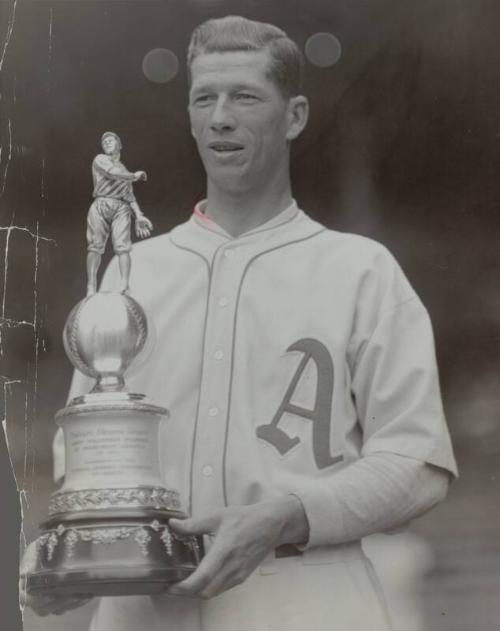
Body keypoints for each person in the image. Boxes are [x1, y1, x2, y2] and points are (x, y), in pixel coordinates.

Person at [22, 16, 457, 631]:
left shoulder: (361, 271)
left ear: (295, 116)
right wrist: (65, 571)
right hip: (148, 611)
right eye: (205, 98)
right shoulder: (128, 276)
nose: (220, 117)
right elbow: (83, 462)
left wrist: (289, 515)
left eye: (245, 97)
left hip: (307, 602)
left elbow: (417, 462)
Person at [86, 131, 153, 295]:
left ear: (119, 145)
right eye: (104, 141)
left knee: (123, 247)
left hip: (121, 207)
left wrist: (139, 215)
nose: (107, 142)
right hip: (101, 203)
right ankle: (91, 286)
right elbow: (111, 173)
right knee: (95, 246)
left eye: (111, 140)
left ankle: (124, 284)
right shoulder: (100, 159)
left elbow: (129, 196)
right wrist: (133, 176)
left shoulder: (123, 169)